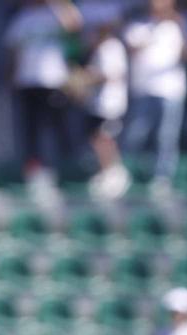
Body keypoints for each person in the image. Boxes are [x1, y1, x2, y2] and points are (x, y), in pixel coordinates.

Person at [5, 0, 82, 186]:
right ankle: (35, 173)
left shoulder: (56, 13)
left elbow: (75, 25)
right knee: (31, 131)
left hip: (54, 81)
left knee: (59, 129)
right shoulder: (22, 17)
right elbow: (14, 49)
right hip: (28, 82)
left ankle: (64, 171)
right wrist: (12, 77)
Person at [121, 0, 187, 187]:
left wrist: (182, 29)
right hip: (142, 89)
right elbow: (130, 50)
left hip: (171, 90)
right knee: (134, 135)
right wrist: (152, 33)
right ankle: (125, 174)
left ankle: (162, 177)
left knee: (166, 136)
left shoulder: (177, 28)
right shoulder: (137, 27)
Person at [81, 16, 131, 200]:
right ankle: (106, 171)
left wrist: (85, 79)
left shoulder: (112, 47)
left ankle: (114, 173)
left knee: (105, 140)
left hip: (110, 104)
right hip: (98, 104)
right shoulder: (99, 48)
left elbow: (111, 74)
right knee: (97, 139)